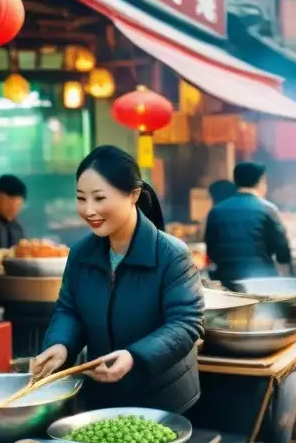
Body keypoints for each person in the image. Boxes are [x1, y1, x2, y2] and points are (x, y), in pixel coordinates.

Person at [31, 146, 202, 413]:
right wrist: (61, 345)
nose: (88, 210)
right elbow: (70, 310)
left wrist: (135, 356)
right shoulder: (81, 254)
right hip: (102, 398)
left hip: (162, 401)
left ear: (133, 195)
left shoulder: (171, 254)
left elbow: (186, 323)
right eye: (81, 198)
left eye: (99, 198)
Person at [205, 162, 292, 286]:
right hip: (262, 280)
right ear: (261, 181)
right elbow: (282, 250)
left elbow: (211, 251)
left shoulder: (216, 211)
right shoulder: (267, 209)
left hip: (226, 280)